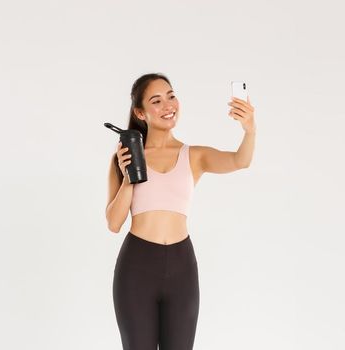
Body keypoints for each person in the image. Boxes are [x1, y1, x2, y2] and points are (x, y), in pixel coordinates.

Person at [105, 73, 256, 349]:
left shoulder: (194, 155)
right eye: (157, 101)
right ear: (140, 112)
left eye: (171, 96)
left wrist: (250, 129)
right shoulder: (123, 158)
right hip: (136, 268)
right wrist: (128, 177)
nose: (168, 105)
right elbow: (114, 223)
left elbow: (240, 160)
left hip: (181, 268)